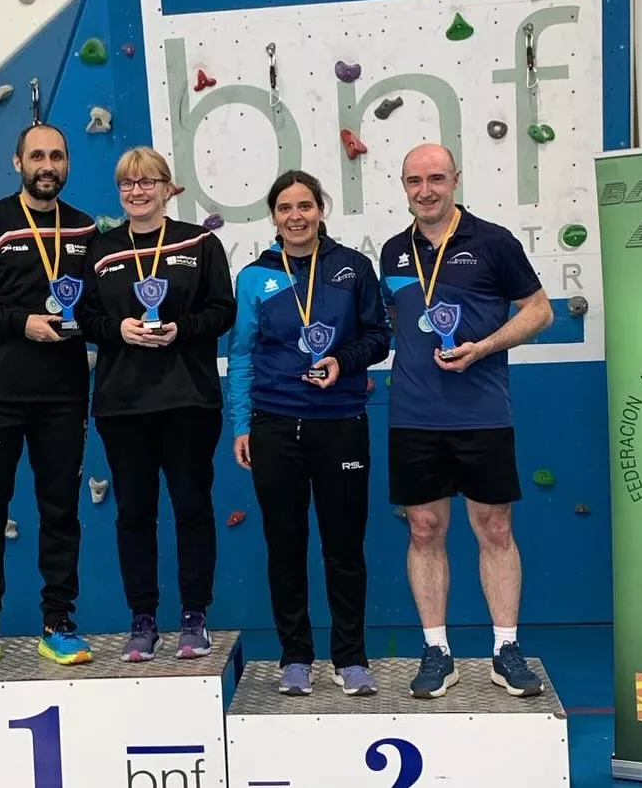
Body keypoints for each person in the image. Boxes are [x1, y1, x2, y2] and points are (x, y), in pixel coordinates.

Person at [378, 142, 554, 699]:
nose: (425, 190)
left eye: (435, 178)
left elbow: (540, 310)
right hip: (412, 416)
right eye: (413, 181)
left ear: (455, 179)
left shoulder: (493, 241)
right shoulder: (391, 253)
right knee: (425, 530)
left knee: (494, 530)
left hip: (481, 414)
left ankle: (506, 648)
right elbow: (393, 325)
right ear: (404, 187)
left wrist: (482, 348)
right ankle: (437, 650)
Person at [0, 122, 97, 672]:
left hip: (63, 395)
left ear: (67, 164)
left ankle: (59, 623)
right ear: (18, 163)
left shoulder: (84, 229)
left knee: (61, 511)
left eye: (56, 155)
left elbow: (96, 306)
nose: (46, 165)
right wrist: (20, 322)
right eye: (37, 156)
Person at [227, 170, 391, 698]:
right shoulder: (254, 276)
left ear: (321, 209)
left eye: (305, 206)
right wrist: (241, 424)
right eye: (284, 208)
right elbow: (242, 354)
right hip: (275, 424)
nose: (296, 217)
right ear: (273, 216)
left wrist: (344, 362)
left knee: (345, 547)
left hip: (341, 423)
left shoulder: (353, 268)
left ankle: (351, 657)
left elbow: (379, 338)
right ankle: (295, 656)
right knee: (285, 545)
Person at [75, 147, 236, 663]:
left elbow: (223, 310)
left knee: (192, 508)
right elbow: (86, 315)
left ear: (168, 188)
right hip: (123, 404)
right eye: (128, 184)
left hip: (188, 399)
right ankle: (142, 619)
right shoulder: (101, 249)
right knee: (134, 513)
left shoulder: (200, 242)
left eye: (148, 183)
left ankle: (195, 617)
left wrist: (179, 329)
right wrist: (117, 330)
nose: (137, 192)